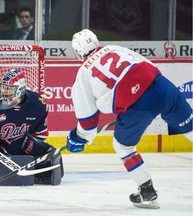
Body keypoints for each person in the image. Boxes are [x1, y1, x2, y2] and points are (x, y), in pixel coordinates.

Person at [66, 29, 193, 209]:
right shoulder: (115, 48)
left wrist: (77, 138)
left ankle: (147, 192)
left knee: (123, 146)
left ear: (78, 53)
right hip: (162, 87)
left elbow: (88, 125)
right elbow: (148, 65)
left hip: (137, 107)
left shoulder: (82, 75)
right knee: (191, 130)